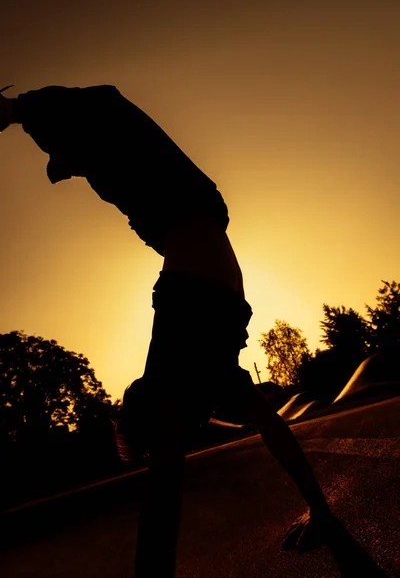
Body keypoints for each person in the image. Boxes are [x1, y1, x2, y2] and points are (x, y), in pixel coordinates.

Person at [0, 84, 337, 577]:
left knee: (173, 445)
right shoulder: (133, 170)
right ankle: (323, 511)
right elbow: (104, 111)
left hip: (198, 290)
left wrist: (15, 112)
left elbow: (104, 102)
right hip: (210, 292)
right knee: (238, 411)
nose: (64, 167)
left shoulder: (112, 148)